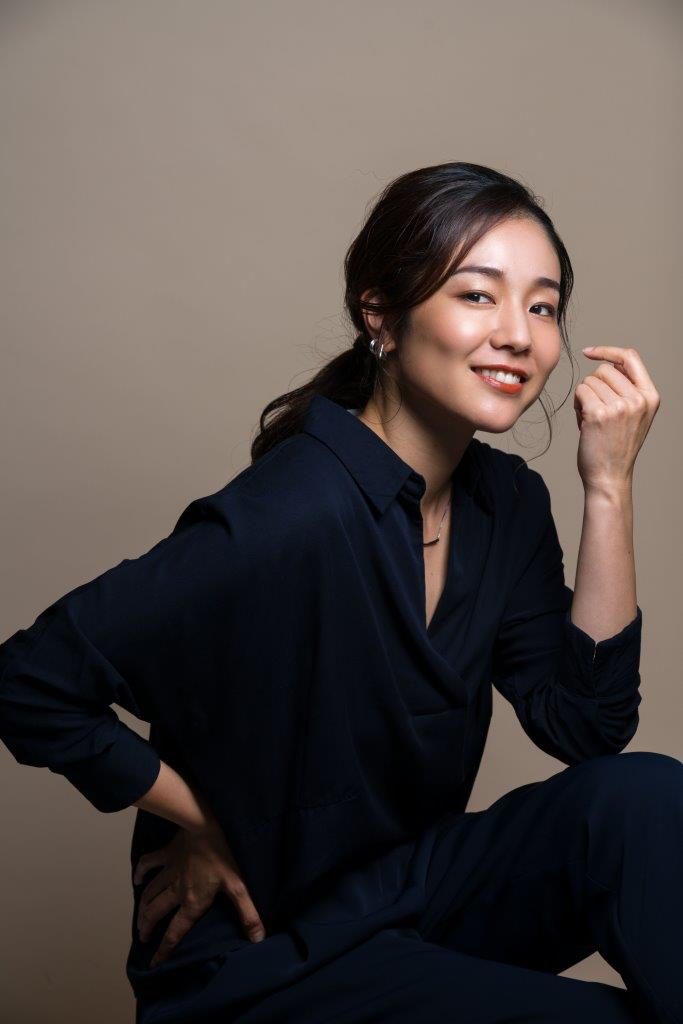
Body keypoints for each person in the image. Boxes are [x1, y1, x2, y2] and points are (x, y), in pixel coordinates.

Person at [0, 161, 680, 1024]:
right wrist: (204, 818)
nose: (517, 334)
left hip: (401, 896)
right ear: (380, 315)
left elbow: (586, 725)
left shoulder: (504, 505)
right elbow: (30, 680)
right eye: (477, 295)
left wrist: (608, 487)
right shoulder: (295, 510)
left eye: (542, 307)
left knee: (646, 799)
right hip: (261, 955)